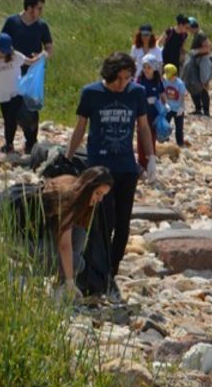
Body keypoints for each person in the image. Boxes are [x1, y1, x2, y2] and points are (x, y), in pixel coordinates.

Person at [66, 52, 157, 290]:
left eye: (127, 78)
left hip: (126, 167)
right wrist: (67, 157)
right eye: (118, 79)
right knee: (104, 222)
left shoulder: (136, 92)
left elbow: (144, 127)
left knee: (123, 224)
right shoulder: (91, 93)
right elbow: (80, 128)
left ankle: (111, 271)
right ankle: (99, 268)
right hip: (100, 168)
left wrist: (151, 158)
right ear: (108, 75)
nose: (122, 84)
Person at [40, 166, 113, 300]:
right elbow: (64, 245)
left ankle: (61, 286)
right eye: (98, 193)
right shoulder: (69, 198)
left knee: (79, 234)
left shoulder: (72, 182)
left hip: (40, 236)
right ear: (88, 187)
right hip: (23, 240)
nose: (100, 199)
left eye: (103, 195)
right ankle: (65, 285)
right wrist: (70, 282)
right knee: (77, 263)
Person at [1, 0, 54, 154]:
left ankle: (31, 143)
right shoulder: (12, 22)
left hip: (32, 76)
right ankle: (9, 143)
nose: (41, 12)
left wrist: (42, 56)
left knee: (31, 109)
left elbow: (49, 48)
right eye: (39, 8)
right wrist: (15, 56)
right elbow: (2, 44)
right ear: (30, 8)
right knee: (10, 109)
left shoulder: (42, 26)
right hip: (12, 73)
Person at [0, 33, 46, 154]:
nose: (5, 52)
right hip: (3, 97)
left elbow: (30, 62)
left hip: (16, 93)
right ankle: (9, 144)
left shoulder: (16, 56)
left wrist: (41, 56)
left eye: (6, 50)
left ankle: (24, 143)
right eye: (2, 50)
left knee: (13, 118)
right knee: (8, 120)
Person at [136, 54, 167, 169]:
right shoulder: (139, 80)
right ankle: (141, 161)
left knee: (152, 136)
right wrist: (145, 100)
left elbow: (162, 95)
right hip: (141, 113)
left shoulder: (158, 81)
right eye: (144, 67)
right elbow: (136, 96)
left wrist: (166, 106)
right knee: (141, 136)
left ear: (154, 68)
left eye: (149, 67)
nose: (146, 70)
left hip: (154, 114)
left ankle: (151, 158)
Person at [181, 33, 212, 117]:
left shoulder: (199, 50)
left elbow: (208, 49)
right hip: (193, 73)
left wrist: (204, 80)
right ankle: (199, 109)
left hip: (197, 72)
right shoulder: (196, 49)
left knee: (202, 90)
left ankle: (205, 111)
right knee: (195, 90)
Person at [163, 63, 187, 146]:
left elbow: (182, 95)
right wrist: (165, 103)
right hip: (168, 108)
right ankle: (165, 140)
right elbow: (164, 92)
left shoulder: (180, 84)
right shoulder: (165, 80)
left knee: (179, 128)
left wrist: (181, 107)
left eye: (170, 77)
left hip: (178, 109)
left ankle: (180, 143)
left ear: (175, 75)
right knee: (165, 125)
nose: (169, 78)